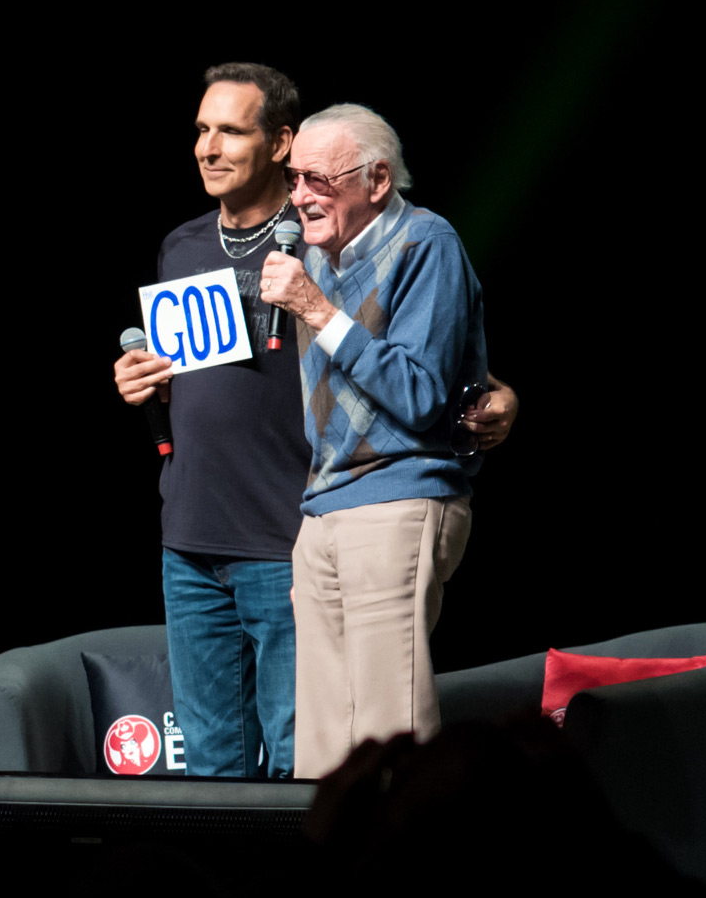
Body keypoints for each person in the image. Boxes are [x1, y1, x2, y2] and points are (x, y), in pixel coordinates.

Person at [114, 68, 516, 778]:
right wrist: (142, 381)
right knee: (237, 766)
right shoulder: (194, 248)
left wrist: (494, 396)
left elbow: (428, 361)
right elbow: (201, 386)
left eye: (230, 130)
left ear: (279, 142)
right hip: (213, 528)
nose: (208, 147)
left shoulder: (337, 241)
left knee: (328, 749)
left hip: (293, 527)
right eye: (201, 130)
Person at [258, 103, 487, 779]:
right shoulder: (311, 256)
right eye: (294, 178)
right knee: (322, 749)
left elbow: (421, 394)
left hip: (398, 500)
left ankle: (413, 880)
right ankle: (329, 883)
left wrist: (316, 311)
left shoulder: (427, 244)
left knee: (392, 734)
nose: (298, 195)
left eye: (316, 181)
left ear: (377, 181)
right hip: (324, 510)